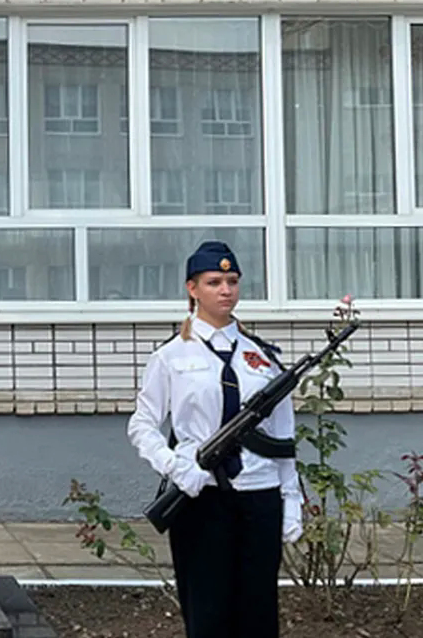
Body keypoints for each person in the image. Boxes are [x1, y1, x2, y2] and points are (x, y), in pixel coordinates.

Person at [126, 240, 303, 638]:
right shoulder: (172, 356)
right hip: (200, 496)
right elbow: (141, 424)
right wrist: (175, 465)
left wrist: (291, 499)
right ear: (192, 289)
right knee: (207, 614)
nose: (226, 290)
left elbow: (283, 435)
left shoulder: (262, 357)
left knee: (259, 615)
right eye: (214, 281)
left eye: (232, 281)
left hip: (260, 495)